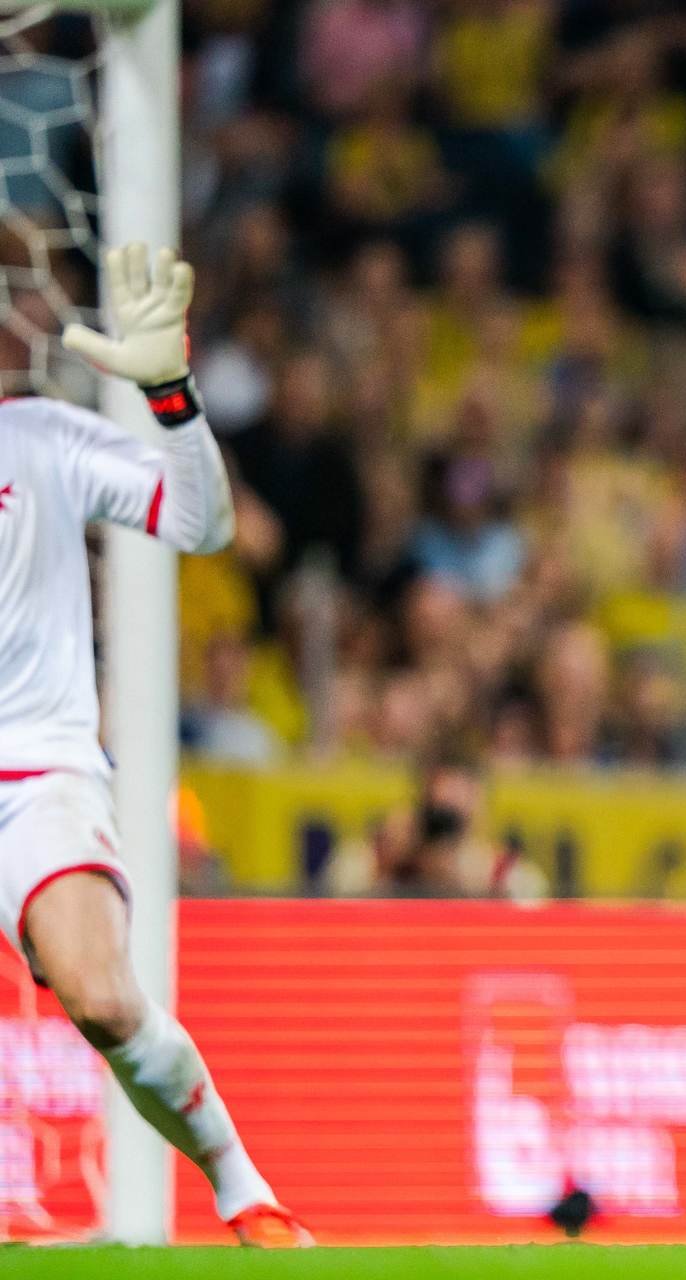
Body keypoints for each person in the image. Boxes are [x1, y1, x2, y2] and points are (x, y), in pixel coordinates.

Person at [1, 244, 310, 1246]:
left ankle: (242, 1185)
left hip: (32, 772)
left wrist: (172, 396)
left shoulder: (37, 439)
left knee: (98, 992)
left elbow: (201, 521)